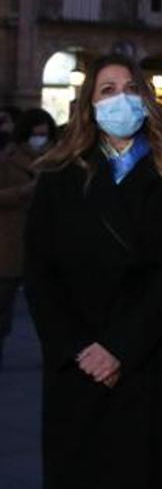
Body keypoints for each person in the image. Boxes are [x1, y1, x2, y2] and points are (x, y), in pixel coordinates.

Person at [24, 54, 162, 488]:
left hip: (141, 360)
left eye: (130, 88)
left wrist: (119, 347)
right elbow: (39, 272)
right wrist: (79, 347)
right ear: (89, 106)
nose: (120, 98)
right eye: (107, 90)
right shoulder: (58, 175)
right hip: (77, 364)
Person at [0, 108, 57, 369]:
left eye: (44, 134)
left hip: (47, 245)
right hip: (12, 242)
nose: (40, 139)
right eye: (36, 134)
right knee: (4, 308)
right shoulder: (8, 160)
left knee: (50, 308)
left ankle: (54, 352)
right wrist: (25, 192)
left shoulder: (57, 160)